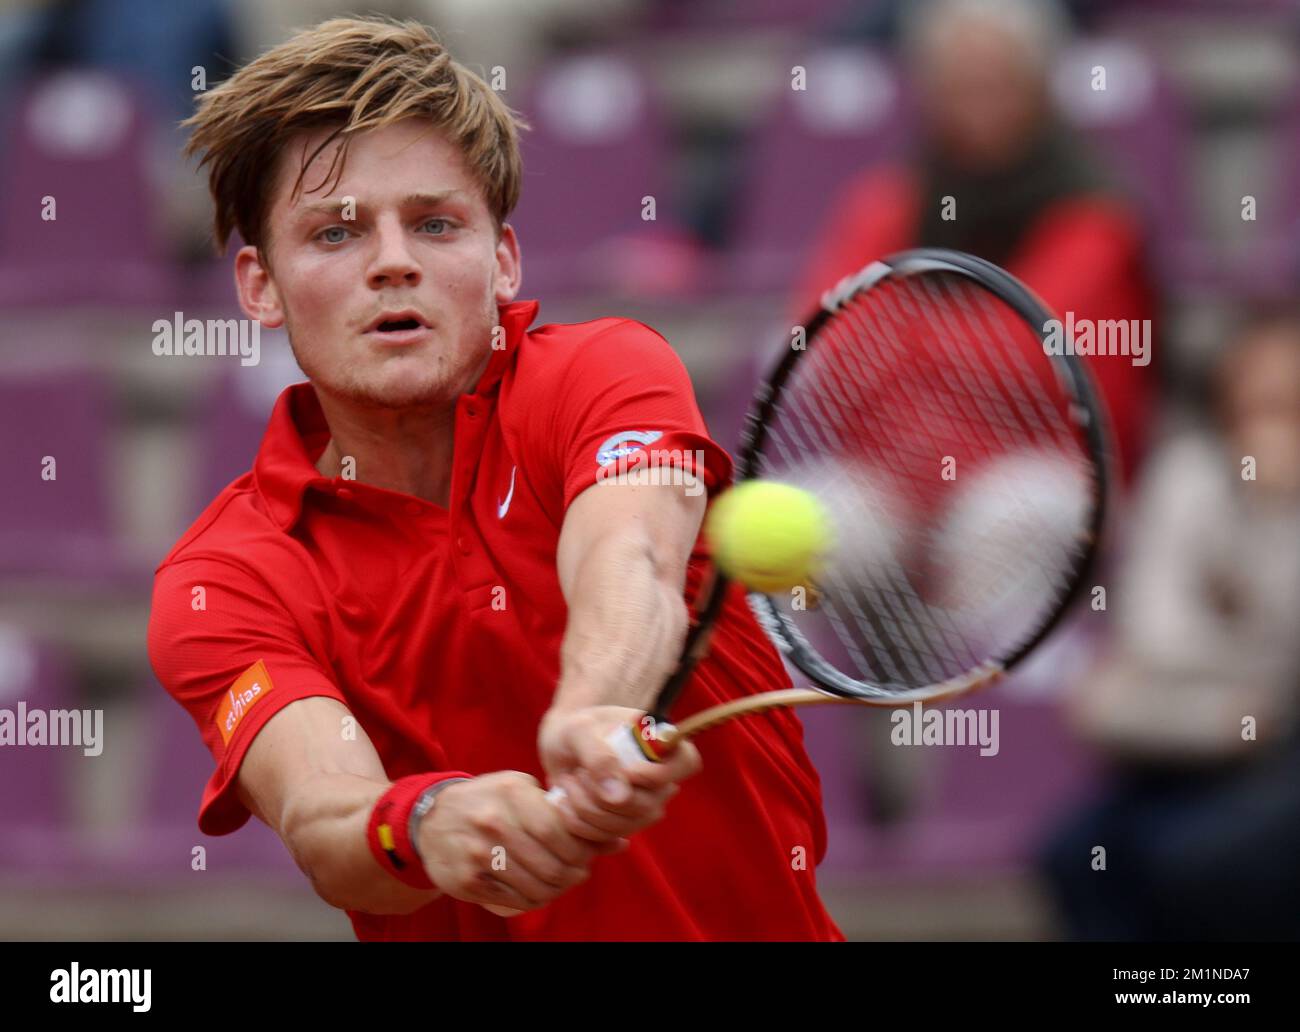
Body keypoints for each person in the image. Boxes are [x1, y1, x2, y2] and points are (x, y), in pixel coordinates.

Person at [146, 16, 842, 942]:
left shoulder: (605, 373)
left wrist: (591, 712)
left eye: (435, 224)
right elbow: (323, 815)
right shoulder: (220, 581)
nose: (393, 261)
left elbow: (629, 556)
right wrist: (425, 825)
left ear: (502, 261)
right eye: (334, 234)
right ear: (259, 285)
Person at [795, 0, 1155, 484]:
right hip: (891, 465)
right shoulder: (888, 198)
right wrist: (957, 353)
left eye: (997, 83)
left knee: (1007, 517)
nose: (978, 104)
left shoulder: (1097, 213)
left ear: (1039, 86)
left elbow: (1037, 359)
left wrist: (904, 336)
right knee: (830, 521)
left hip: (1043, 469)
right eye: (960, 85)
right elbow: (828, 347)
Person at [1038, 312, 1300, 940]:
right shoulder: (1188, 477)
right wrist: (1231, 700)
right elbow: (1158, 638)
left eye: (1290, 404)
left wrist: (1275, 516)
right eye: (1255, 402)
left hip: (1280, 759)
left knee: (1201, 864)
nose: (1270, 425)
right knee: (1075, 856)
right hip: (1189, 746)